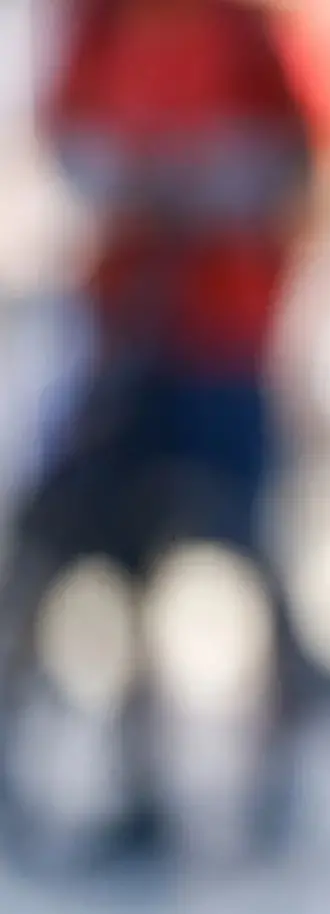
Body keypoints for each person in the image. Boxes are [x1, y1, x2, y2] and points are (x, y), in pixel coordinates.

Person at [0, 0, 312, 865]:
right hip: (124, 337)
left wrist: (196, 183)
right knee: (102, 560)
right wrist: (149, 183)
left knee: (246, 549)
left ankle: (272, 780)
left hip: (223, 339)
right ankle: (136, 783)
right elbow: (71, 151)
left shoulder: (238, 27)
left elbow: (289, 161)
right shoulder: (98, 26)